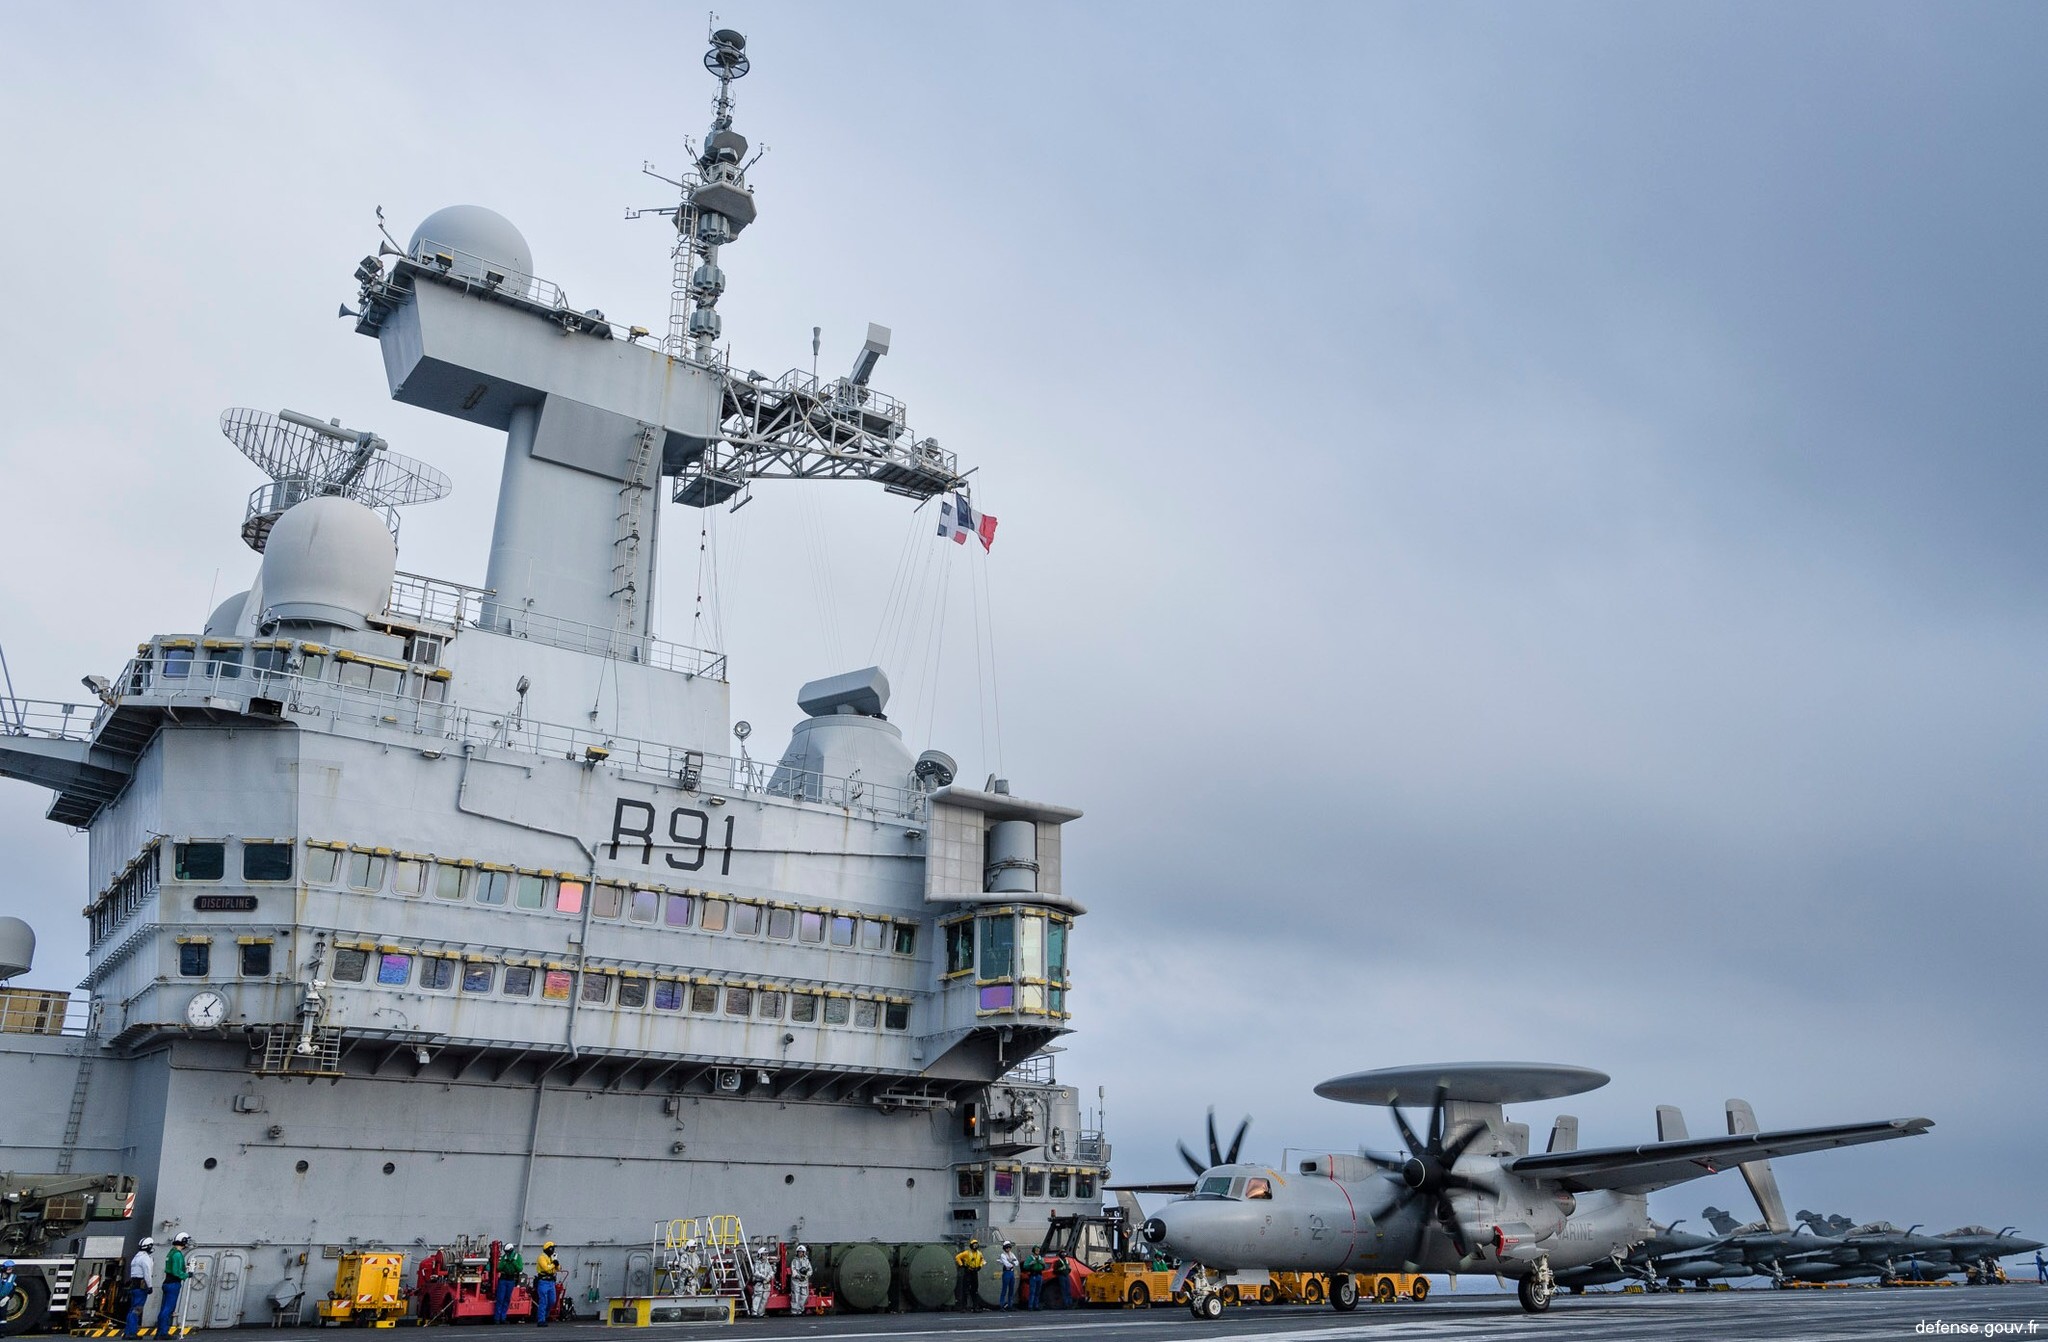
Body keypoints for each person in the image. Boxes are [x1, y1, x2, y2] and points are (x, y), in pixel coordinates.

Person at [155, 1234, 192, 1336]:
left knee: (164, 1308)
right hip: (173, 1284)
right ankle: (162, 1333)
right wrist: (186, 1275)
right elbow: (176, 1271)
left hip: (167, 1283)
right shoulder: (177, 1254)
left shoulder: (171, 1252)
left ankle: (160, 1332)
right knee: (168, 1309)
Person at [123, 1237, 155, 1339]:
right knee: (137, 1309)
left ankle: (128, 1332)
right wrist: (150, 1286)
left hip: (134, 1285)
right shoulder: (145, 1258)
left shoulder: (136, 1257)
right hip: (141, 1286)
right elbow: (147, 1273)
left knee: (132, 1309)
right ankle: (132, 1333)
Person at [492, 1240, 523, 1324]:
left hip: (511, 1279)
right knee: (500, 1298)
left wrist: (513, 1263)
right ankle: (497, 1318)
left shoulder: (517, 1257)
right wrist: (505, 1263)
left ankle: (503, 1317)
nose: (507, 1253)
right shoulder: (504, 1258)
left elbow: (520, 1268)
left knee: (507, 1299)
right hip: (503, 1279)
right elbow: (499, 1268)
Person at [952, 1238, 984, 1311]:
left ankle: (975, 1306)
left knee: (975, 1290)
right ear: (971, 1245)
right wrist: (962, 1265)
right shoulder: (967, 1253)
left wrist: (980, 1266)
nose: (975, 1246)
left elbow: (983, 1260)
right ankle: (963, 1307)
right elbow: (957, 1257)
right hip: (968, 1272)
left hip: (975, 1272)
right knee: (965, 1290)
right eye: (974, 1245)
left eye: (976, 1245)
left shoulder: (979, 1253)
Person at [532, 1241, 558, 1327]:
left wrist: (556, 1263)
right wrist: (554, 1264)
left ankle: (545, 1315)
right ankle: (541, 1319)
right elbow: (546, 1268)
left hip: (551, 1282)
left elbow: (558, 1268)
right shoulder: (541, 1257)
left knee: (552, 1300)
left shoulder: (552, 1258)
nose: (553, 1250)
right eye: (552, 1248)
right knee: (543, 1301)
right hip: (543, 1281)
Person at [787, 1245, 812, 1316]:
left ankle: (801, 1310)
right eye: (799, 1252)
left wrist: (806, 1275)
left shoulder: (806, 1261)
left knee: (804, 1295)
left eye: (801, 1252)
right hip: (796, 1281)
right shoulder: (794, 1261)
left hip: (804, 1281)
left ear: (804, 1253)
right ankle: (794, 1311)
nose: (800, 1253)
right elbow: (793, 1270)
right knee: (795, 1296)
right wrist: (798, 1276)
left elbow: (810, 1270)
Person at [997, 1241, 1019, 1310]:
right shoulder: (1003, 1255)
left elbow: (1017, 1262)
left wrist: (1011, 1262)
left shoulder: (1012, 1254)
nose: (1008, 1249)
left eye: (1009, 1247)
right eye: (1006, 1247)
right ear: (1004, 1248)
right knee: (1004, 1289)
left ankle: (1010, 1305)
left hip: (1011, 1273)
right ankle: (1002, 1305)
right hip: (1006, 1272)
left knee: (1011, 1290)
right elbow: (1007, 1264)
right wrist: (1012, 1262)